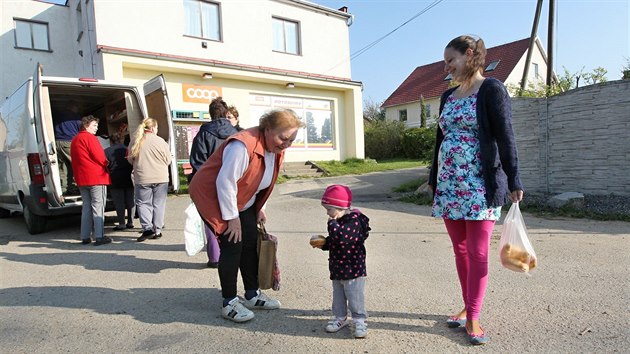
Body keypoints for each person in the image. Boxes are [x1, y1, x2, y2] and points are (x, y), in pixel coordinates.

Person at [427, 35, 524, 345]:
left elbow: (506, 136)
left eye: (450, 61)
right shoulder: (448, 96)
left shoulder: (492, 89)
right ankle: (467, 306)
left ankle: (473, 317)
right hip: (449, 185)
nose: (447, 68)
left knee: (479, 251)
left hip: (480, 184)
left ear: (470, 55)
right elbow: (440, 141)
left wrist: (513, 179)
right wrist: (433, 176)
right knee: (460, 249)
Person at [189, 108, 304, 323]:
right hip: (213, 196)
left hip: (242, 199)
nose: (286, 144)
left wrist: (260, 207)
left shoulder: (276, 148)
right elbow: (225, 182)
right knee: (233, 244)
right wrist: (232, 219)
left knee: (250, 243)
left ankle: (252, 295)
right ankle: (229, 302)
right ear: (267, 129)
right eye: (283, 137)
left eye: (291, 140)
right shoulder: (242, 145)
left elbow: (262, 181)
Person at [311, 184, 371, 339]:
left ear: (339, 207)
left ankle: (359, 320)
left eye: (329, 209)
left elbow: (342, 237)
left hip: (353, 269)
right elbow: (335, 241)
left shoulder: (354, 221)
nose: (327, 214)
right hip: (338, 268)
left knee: (354, 296)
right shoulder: (339, 221)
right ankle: (340, 318)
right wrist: (324, 244)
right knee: (338, 295)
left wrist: (332, 223)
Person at [189, 97, 240, 268]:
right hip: (233, 182)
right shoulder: (237, 133)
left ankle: (215, 257)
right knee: (232, 215)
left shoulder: (203, 133)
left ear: (210, 114)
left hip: (208, 184)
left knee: (210, 219)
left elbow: (196, 160)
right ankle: (232, 253)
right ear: (226, 114)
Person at [127, 118, 172, 242]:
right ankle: (157, 230)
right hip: (161, 177)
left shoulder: (135, 141)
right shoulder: (161, 141)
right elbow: (168, 160)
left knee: (143, 203)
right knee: (158, 204)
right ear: (153, 128)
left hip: (142, 178)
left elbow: (130, 160)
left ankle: (147, 228)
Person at [70, 115, 112, 246]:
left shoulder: (75, 140)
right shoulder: (90, 138)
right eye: (94, 125)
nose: (96, 128)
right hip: (96, 176)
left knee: (86, 207)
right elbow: (100, 156)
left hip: (82, 178)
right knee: (98, 207)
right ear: (86, 125)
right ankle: (99, 236)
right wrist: (107, 164)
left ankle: (85, 236)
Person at [104, 132, 134, 230]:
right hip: (129, 177)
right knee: (130, 201)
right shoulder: (128, 149)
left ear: (111, 141)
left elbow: (104, 165)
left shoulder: (107, 151)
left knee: (119, 202)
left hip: (115, 178)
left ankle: (121, 223)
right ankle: (130, 221)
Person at [54, 100, 82, 195]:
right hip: (69, 142)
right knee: (78, 165)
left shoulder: (58, 115)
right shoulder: (75, 117)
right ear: (72, 107)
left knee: (63, 167)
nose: (77, 109)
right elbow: (81, 128)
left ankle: (64, 189)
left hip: (57, 142)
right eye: (76, 107)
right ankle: (79, 187)